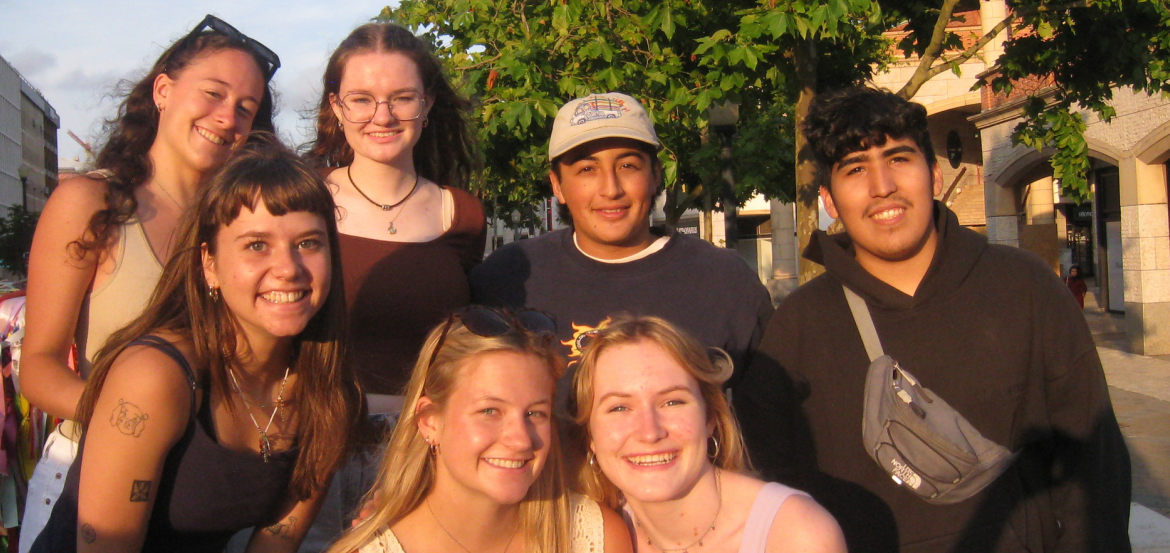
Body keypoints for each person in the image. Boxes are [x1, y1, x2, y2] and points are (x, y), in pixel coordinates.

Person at [732, 86, 1131, 552]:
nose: (883, 187)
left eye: (899, 159)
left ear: (935, 175)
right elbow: (773, 494)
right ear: (830, 199)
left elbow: (1093, 464)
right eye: (855, 169)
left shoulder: (1025, 288)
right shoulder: (796, 329)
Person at [18, 15, 279, 551]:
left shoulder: (243, 223)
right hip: (88, 477)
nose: (226, 117)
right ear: (163, 89)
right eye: (213, 93)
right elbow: (40, 368)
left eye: (245, 108)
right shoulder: (91, 204)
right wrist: (138, 427)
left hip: (207, 493)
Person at [31, 139, 362, 552]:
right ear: (210, 265)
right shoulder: (153, 378)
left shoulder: (328, 392)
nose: (288, 269)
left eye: (308, 243)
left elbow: (277, 542)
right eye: (257, 245)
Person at [469, 92, 771, 373]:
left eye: (627, 166)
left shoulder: (724, 280)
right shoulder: (508, 279)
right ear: (557, 185)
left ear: (655, 175)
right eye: (587, 169)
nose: (611, 189)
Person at [327, 306, 633, 553]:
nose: (520, 438)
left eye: (535, 413)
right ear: (429, 420)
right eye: (490, 411)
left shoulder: (595, 538)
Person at [306, 22, 484, 412]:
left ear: (428, 104)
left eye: (401, 98)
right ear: (337, 107)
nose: (382, 117)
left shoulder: (462, 215)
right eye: (362, 99)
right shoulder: (302, 201)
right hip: (319, 443)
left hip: (427, 447)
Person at [570, 315, 845, 553]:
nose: (649, 432)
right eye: (619, 407)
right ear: (590, 435)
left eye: (672, 402)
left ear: (710, 417)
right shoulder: (587, 538)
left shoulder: (795, 533)